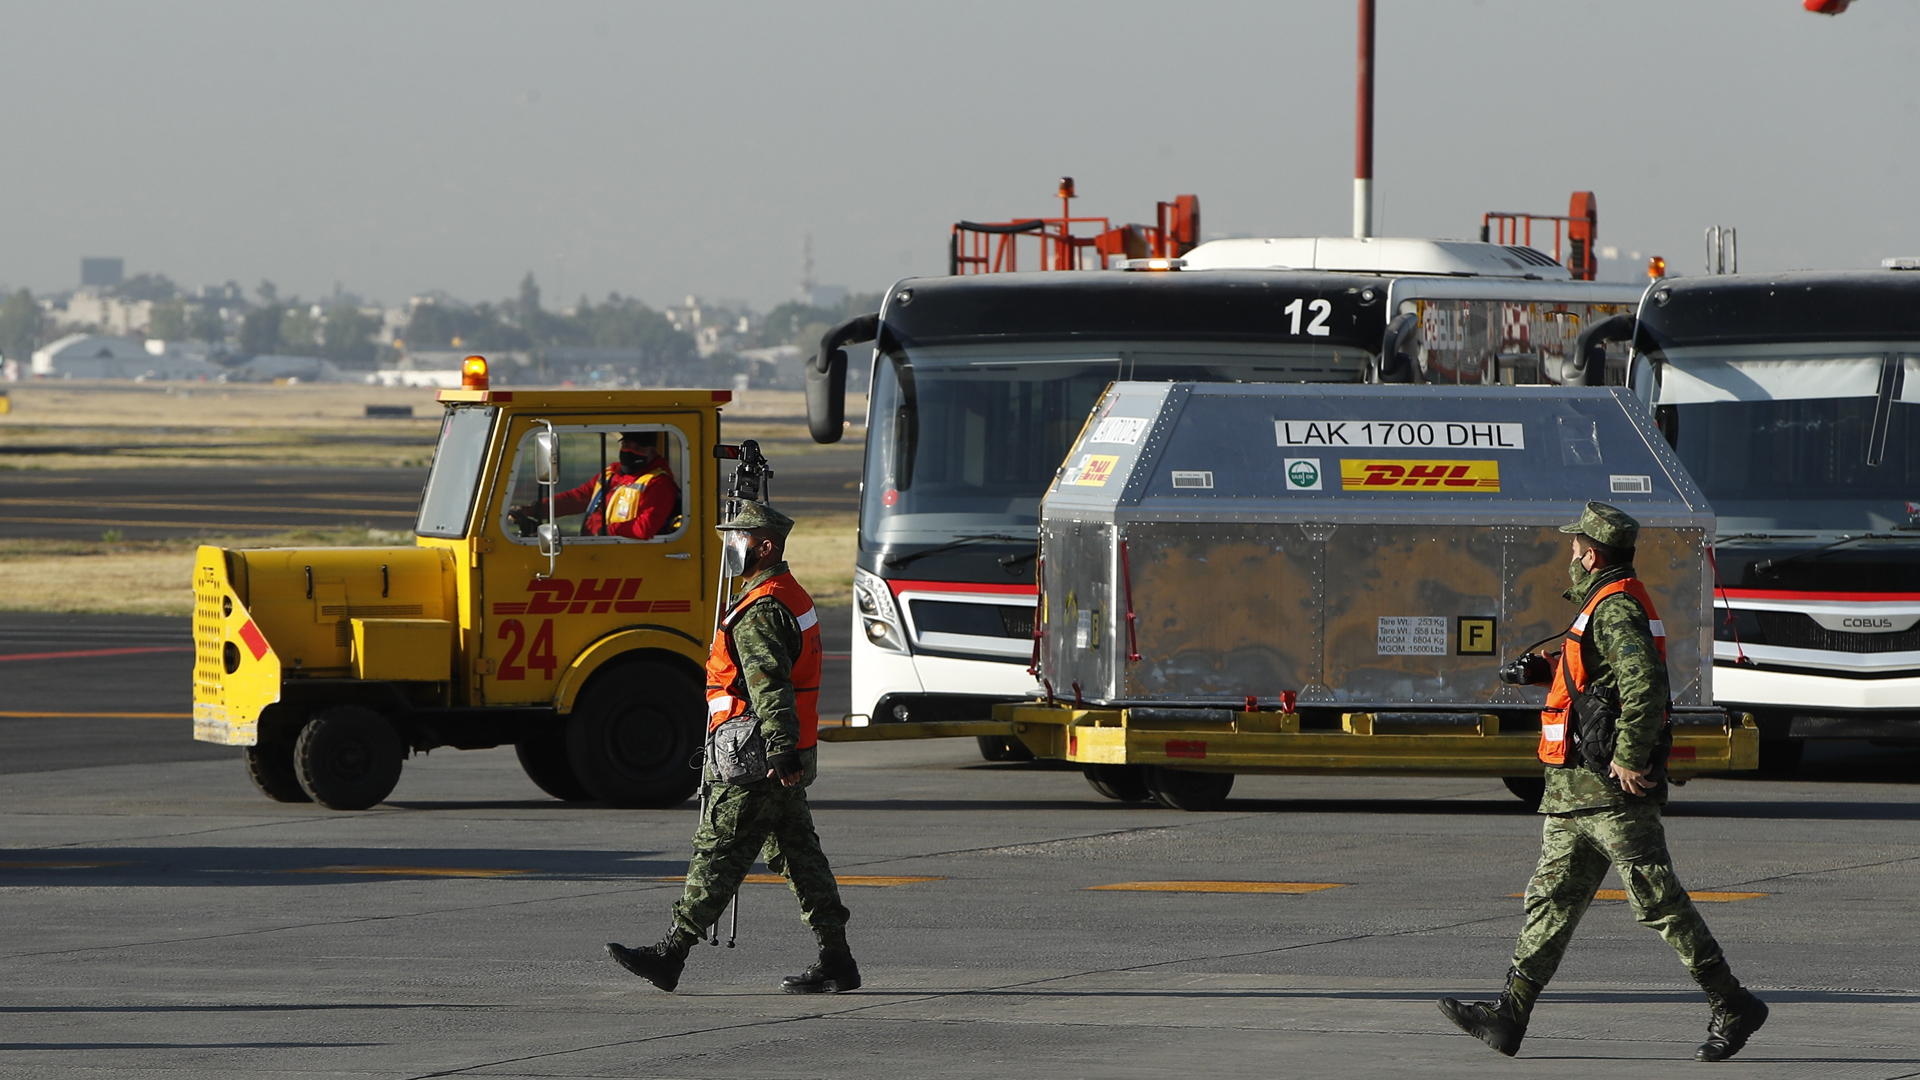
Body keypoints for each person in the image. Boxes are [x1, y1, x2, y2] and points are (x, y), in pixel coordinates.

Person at [1438, 502, 1767, 1062]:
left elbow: (1643, 687)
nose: (1570, 554)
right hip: (1573, 791)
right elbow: (1599, 677)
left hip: (1609, 790)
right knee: (1551, 901)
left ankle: (1732, 1003)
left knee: (1656, 898)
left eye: (1575, 547)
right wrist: (1543, 671)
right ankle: (1509, 1015)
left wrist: (1631, 758)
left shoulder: (1614, 609)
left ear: (1590, 554)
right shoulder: (1602, 606)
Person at [606, 501, 858, 994]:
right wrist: (789, 750)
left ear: (764, 547)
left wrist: (779, 749)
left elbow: (770, 686)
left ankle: (671, 954)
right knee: (801, 858)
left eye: (738, 541)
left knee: (718, 849)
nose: (730, 550)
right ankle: (837, 959)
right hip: (784, 751)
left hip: (758, 755)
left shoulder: (760, 609)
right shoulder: (788, 594)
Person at [511, 431, 678, 540]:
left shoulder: (658, 483)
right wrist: (532, 509)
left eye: (638, 448)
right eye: (626, 445)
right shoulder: (611, 475)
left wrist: (604, 532)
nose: (629, 452)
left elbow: (643, 528)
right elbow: (577, 498)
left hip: (623, 558)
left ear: (652, 453)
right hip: (597, 549)